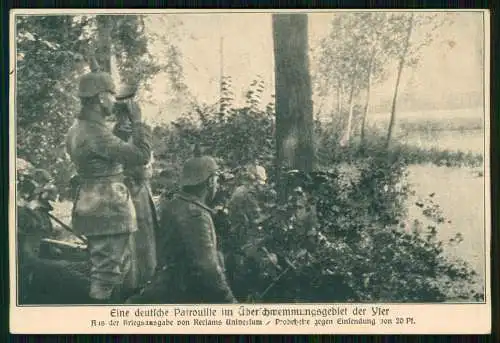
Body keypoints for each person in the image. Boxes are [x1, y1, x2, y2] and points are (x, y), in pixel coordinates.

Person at [65, 70, 152, 304]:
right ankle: (100, 320)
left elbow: (105, 155)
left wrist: (121, 130)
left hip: (93, 203)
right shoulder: (95, 133)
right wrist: (138, 122)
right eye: (112, 95)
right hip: (108, 210)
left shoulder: (78, 129)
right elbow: (141, 155)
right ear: (101, 98)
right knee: (107, 275)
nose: (115, 101)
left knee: (106, 269)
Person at [127, 155, 237, 304]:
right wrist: (229, 300)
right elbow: (207, 268)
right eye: (216, 180)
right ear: (210, 181)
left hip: (168, 286)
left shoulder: (175, 204)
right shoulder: (195, 215)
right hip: (181, 294)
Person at [112, 87, 158, 298]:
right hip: (128, 194)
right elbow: (140, 161)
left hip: (139, 193)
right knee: (131, 246)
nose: (127, 116)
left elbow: (146, 164)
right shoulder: (120, 134)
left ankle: (142, 285)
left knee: (145, 244)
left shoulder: (136, 132)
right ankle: (130, 289)